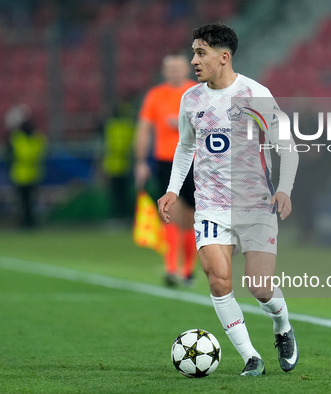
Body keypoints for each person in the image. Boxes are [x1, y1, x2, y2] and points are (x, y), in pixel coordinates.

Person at [157, 24, 299, 376]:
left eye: (200, 53)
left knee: (259, 287)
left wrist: (285, 189)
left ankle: (282, 326)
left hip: (255, 205)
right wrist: (173, 189)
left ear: (224, 57)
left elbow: (288, 147)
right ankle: (252, 357)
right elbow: (186, 146)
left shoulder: (256, 94)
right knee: (219, 280)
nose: (193, 60)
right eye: (193, 52)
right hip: (210, 205)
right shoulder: (191, 99)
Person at [135, 53, 198, 287]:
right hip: (165, 160)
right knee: (168, 212)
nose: (173, 72)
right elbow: (144, 128)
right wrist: (141, 161)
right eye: (169, 68)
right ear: (164, 71)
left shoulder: (197, 92)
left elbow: (215, 123)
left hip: (193, 159)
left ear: (187, 69)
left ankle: (188, 271)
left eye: (177, 67)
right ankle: (171, 268)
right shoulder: (155, 95)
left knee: (191, 215)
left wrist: (184, 122)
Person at [6, 105, 47, 228]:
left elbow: (15, 155)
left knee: (27, 203)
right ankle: (27, 222)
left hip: (23, 174)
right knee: (26, 203)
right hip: (28, 173)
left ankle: (27, 223)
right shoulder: (35, 137)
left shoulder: (17, 138)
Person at [102, 100, 135, 225]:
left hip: (114, 165)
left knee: (116, 194)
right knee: (123, 194)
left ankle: (118, 218)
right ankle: (124, 217)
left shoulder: (110, 126)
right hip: (125, 165)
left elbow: (107, 147)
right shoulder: (129, 126)